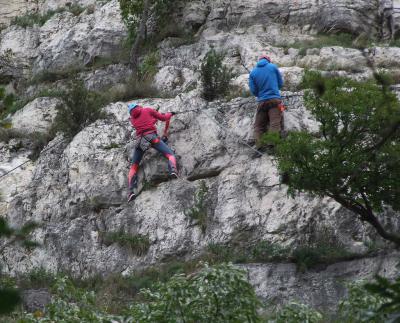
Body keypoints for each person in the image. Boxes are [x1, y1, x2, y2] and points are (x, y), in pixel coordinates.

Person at [127, 102, 178, 202]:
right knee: (170, 154)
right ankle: (173, 171)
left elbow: (146, 122)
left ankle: (130, 192)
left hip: (140, 142)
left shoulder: (132, 119)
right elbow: (163, 118)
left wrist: (153, 119)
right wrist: (169, 114)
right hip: (152, 138)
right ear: (139, 106)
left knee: (134, 166)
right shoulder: (147, 110)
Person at [248, 54, 284, 153]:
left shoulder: (253, 73)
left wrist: (261, 94)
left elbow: (253, 91)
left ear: (259, 60)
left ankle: (259, 147)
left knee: (258, 126)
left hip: (262, 102)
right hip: (275, 100)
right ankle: (271, 146)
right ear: (268, 60)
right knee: (275, 123)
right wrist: (274, 89)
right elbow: (280, 84)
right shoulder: (273, 67)